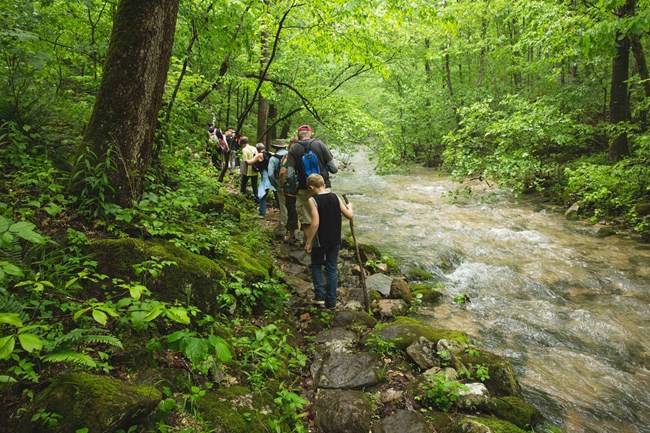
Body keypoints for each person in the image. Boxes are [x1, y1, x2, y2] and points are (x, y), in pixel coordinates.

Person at [304, 173, 353, 309]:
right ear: (324, 184)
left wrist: (309, 241)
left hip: (321, 240)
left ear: (311, 187)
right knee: (332, 268)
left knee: (316, 265)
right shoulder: (335, 197)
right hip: (335, 239)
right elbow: (349, 215)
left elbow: (315, 223)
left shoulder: (313, 200)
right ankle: (331, 302)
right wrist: (351, 207)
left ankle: (320, 296)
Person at [286, 125, 338, 242]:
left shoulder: (294, 148)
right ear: (311, 134)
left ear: (298, 136)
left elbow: (289, 174)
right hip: (323, 188)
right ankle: (326, 246)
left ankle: (310, 248)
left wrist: (294, 188)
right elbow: (334, 169)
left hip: (305, 189)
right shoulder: (320, 144)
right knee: (325, 218)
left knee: (307, 220)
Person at [279, 136, 299, 243]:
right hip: (303, 188)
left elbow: (282, 172)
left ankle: (291, 234)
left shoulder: (287, 157)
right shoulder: (303, 155)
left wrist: (282, 185)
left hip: (290, 189)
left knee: (291, 210)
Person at [249, 143, 275, 218]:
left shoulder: (259, 155)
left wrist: (245, 161)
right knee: (277, 194)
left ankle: (262, 212)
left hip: (265, 176)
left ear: (257, 149)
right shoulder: (270, 153)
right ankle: (282, 212)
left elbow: (250, 162)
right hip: (273, 175)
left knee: (262, 194)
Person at [268, 139, 289, 229]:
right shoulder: (290, 155)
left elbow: (270, 174)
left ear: (276, 148)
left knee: (283, 203)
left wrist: (275, 184)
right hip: (291, 182)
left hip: (279, 182)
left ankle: (285, 222)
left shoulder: (273, 158)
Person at [240, 137, 258, 201]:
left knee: (243, 183)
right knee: (255, 185)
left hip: (247, 170)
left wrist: (242, 172)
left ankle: (242, 197)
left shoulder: (244, 150)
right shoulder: (254, 148)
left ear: (242, 143)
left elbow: (245, 161)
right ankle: (257, 199)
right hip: (255, 169)